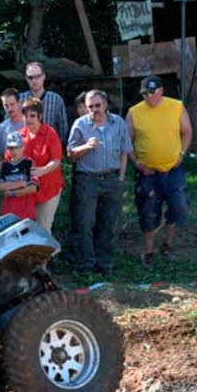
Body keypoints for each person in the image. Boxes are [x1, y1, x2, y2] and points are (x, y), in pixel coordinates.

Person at [126, 75, 193, 268]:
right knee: (148, 211)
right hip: (147, 171)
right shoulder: (134, 112)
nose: (149, 97)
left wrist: (182, 153)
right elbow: (126, 141)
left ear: (161, 91)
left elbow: (187, 131)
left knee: (178, 207)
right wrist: (136, 163)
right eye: (145, 94)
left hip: (173, 168)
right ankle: (148, 252)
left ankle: (167, 245)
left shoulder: (177, 106)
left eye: (152, 93)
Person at [66, 89, 133, 275]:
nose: (94, 110)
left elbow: (124, 151)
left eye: (97, 105)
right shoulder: (80, 124)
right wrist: (86, 146)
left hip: (112, 179)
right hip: (87, 179)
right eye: (90, 107)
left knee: (109, 224)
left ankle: (105, 265)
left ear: (105, 104)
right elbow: (70, 155)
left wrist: (121, 177)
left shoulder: (118, 123)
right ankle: (86, 266)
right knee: (85, 224)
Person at [18, 97, 64, 232]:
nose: (28, 119)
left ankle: (49, 253)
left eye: (32, 115)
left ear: (40, 116)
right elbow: (12, 160)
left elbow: (57, 160)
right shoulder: (20, 135)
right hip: (27, 189)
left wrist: (42, 170)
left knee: (43, 228)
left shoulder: (50, 133)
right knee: (25, 229)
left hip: (49, 188)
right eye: (25, 116)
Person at [20, 61, 68, 144]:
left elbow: (63, 129)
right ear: (26, 78)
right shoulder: (20, 99)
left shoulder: (56, 99)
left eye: (38, 76)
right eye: (30, 77)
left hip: (50, 148)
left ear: (44, 76)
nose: (34, 80)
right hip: (25, 148)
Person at [0, 131, 39, 221]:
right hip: (8, 213)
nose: (14, 151)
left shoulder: (29, 163)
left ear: (23, 146)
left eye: (17, 147)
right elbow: (1, 186)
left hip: (26, 213)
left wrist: (13, 193)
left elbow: (33, 188)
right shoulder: (5, 165)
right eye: (11, 148)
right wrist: (22, 183)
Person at [0, 88, 26, 169]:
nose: (9, 109)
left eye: (12, 104)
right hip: (10, 175)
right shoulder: (2, 128)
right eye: (6, 105)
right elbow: (0, 156)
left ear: (19, 103)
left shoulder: (30, 124)